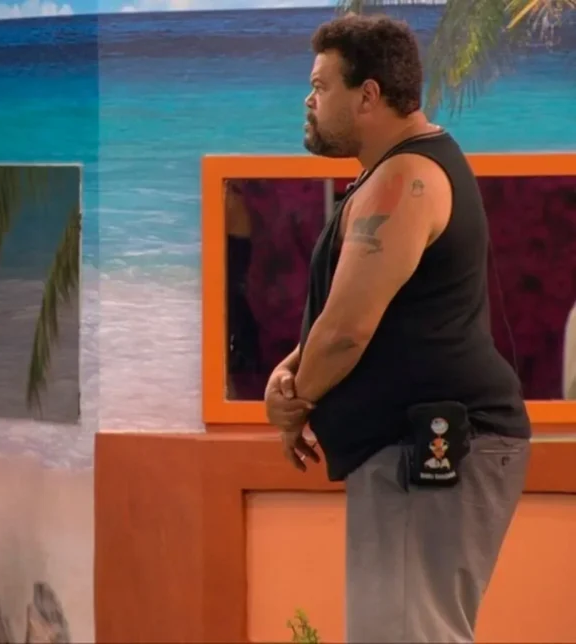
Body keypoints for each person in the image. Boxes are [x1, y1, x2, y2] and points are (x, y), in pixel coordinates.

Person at [264, 14, 532, 644]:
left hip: (435, 447)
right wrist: (294, 365)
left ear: (368, 95)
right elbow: (360, 310)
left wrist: (295, 404)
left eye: (321, 85)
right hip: (416, 448)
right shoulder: (393, 172)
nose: (308, 100)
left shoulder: (406, 179)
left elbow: (348, 330)